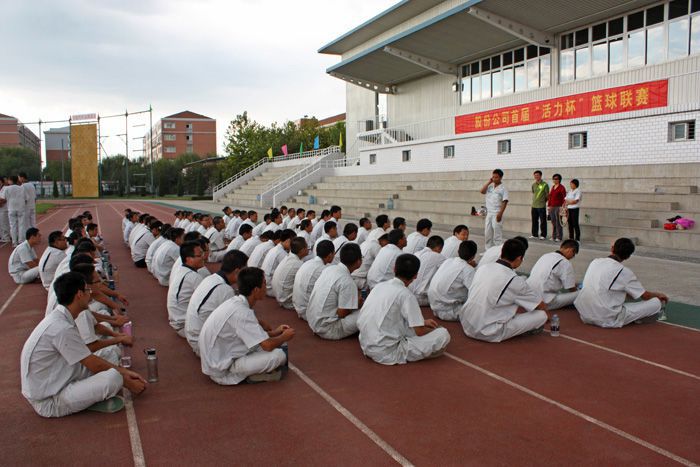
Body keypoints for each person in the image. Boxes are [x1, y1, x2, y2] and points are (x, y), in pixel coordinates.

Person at [20, 272, 146, 417]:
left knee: (111, 354)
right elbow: (94, 364)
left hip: (62, 374)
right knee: (114, 378)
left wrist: (123, 372)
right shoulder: (60, 327)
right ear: (79, 294)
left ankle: (86, 396)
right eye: (87, 290)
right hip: (49, 399)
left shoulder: (62, 317)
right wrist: (126, 379)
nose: (90, 293)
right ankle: (85, 400)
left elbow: (90, 354)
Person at [199, 267, 295, 384]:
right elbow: (267, 345)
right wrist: (284, 336)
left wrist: (275, 332)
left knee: (273, 344)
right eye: (264, 283)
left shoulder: (236, 302)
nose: (266, 286)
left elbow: (253, 336)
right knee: (279, 355)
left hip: (218, 356)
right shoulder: (242, 312)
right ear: (255, 290)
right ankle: (249, 376)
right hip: (221, 368)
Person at [358, 254, 451, 365]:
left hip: (365, 344)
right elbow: (420, 331)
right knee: (443, 334)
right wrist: (434, 330)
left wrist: (423, 322)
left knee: (405, 325)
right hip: (387, 352)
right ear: (415, 275)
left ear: (394, 269)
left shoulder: (379, 286)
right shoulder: (406, 295)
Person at [459, 239, 548, 342]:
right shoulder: (514, 280)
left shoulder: (483, 268)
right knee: (541, 316)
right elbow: (540, 306)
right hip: (487, 331)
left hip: (467, 323)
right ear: (519, 258)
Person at [574, 238, 667, 328]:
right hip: (606, 319)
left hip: (584, 315)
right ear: (628, 256)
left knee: (622, 296)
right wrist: (658, 295)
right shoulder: (624, 271)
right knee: (656, 303)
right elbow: (645, 296)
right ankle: (638, 318)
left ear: (612, 248)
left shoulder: (595, 262)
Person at [185, 250, 248, 355]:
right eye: (244, 271)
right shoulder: (225, 290)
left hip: (194, 336)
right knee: (254, 345)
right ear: (237, 271)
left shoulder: (211, 278)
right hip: (204, 345)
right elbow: (236, 324)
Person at [306, 243, 363, 340]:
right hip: (328, 329)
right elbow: (342, 313)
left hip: (312, 321)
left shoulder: (330, 269)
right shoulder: (347, 281)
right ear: (358, 261)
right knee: (365, 312)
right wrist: (357, 304)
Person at [428, 240, 477, 321]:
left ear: (458, 251)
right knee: (481, 309)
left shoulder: (448, 261)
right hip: (449, 311)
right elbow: (475, 292)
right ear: (473, 256)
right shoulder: (468, 270)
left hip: (434, 306)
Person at [527, 240, 580, 310]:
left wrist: (572, 284)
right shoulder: (565, 262)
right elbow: (571, 288)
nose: (572, 257)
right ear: (571, 250)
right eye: (573, 255)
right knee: (580, 293)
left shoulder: (546, 255)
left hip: (529, 297)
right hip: (545, 302)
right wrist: (576, 290)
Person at [167, 241, 206, 337]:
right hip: (185, 326)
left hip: (179, 322)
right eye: (199, 255)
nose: (203, 257)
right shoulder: (193, 277)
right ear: (189, 259)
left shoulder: (183, 270)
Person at [293, 240, 334, 321]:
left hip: (298, 307)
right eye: (334, 253)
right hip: (308, 312)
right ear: (330, 255)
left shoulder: (307, 263)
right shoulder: (323, 269)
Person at [408, 235, 446, 306]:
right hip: (420, 298)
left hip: (409, 293)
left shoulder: (416, 253)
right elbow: (449, 271)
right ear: (439, 248)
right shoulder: (438, 256)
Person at [272, 237, 308, 308]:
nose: (308, 249)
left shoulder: (288, 257)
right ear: (302, 250)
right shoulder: (298, 264)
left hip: (278, 295)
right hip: (286, 300)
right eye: (307, 247)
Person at [480, 169, 509, 249]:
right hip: (489, 213)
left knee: (497, 234)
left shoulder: (503, 188)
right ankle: (488, 251)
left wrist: (500, 213)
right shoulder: (490, 186)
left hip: (497, 213)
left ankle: (497, 252)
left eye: (496, 177)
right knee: (487, 233)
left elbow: (505, 201)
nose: (494, 179)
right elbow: (482, 191)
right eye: (493, 177)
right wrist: (489, 182)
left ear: (500, 177)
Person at [262, 229, 296, 296]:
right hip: (270, 288)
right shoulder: (282, 253)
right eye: (293, 242)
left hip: (265, 284)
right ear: (288, 241)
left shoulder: (275, 249)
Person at [0, 175, 25, 246]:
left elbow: (3, 199)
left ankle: (14, 242)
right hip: (20, 208)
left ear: (11, 180)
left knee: (13, 225)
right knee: (21, 225)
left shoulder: (7, 189)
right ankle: (21, 240)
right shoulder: (21, 188)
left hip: (11, 208)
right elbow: (26, 198)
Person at [531, 170, 549, 240]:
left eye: (537, 175)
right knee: (534, 221)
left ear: (540, 176)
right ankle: (534, 234)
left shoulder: (545, 184)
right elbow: (533, 192)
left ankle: (543, 235)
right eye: (535, 175)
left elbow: (547, 195)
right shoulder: (533, 185)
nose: (536, 176)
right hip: (534, 206)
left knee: (543, 221)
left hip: (541, 206)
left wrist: (543, 201)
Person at [548, 173, 566, 242]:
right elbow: (550, 197)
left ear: (559, 180)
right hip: (552, 207)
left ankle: (559, 237)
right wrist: (549, 206)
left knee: (558, 222)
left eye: (556, 179)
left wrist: (563, 207)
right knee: (553, 222)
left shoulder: (562, 187)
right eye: (554, 179)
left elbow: (564, 197)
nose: (555, 180)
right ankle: (553, 236)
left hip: (559, 207)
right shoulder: (553, 187)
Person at [0, 176, 11, 244]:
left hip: (5, 208)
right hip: (1, 208)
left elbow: (4, 199)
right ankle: (3, 237)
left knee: (4, 224)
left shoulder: (5, 188)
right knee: (1, 224)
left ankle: (6, 237)